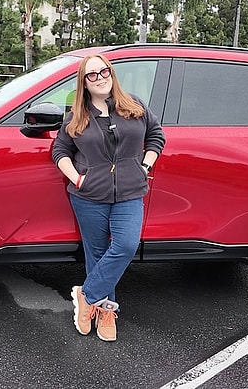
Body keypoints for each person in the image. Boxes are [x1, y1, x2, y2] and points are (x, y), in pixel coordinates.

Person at [52, 54, 165, 342]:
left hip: (129, 191)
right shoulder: (77, 116)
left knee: (126, 245)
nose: (101, 77)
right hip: (89, 196)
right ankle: (105, 311)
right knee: (97, 253)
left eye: (104, 71)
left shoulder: (134, 105)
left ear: (111, 73)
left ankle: (86, 295)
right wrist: (77, 178)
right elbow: (59, 152)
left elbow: (156, 136)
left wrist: (144, 167)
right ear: (84, 83)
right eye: (92, 75)